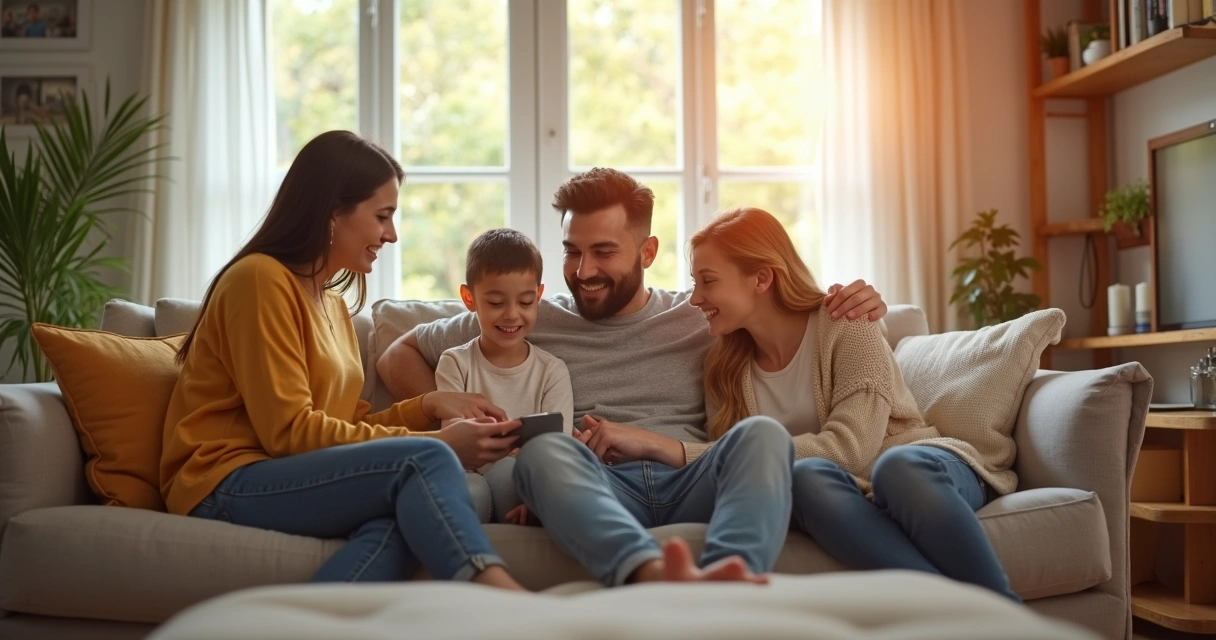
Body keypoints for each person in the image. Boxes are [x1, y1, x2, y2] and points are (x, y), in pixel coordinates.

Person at [377, 168, 889, 585]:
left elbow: (778, 304)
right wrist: (450, 408)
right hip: (597, 482)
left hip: (691, 476)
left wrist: (853, 303)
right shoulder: (530, 312)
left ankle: (733, 583)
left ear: (647, 253)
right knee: (544, 451)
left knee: (760, 436)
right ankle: (645, 573)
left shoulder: (701, 312)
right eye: (572, 251)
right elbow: (397, 350)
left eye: (603, 252)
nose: (582, 270)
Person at [161, 130, 526, 589]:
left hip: (284, 472)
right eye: (382, 216)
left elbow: (350, 422)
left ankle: (312, 624)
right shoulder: (258, 280)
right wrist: (443, 443)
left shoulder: (332, 303)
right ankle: (502, 595)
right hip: (222, 479)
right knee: (428, 460)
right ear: (334, 211)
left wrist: (429, 407)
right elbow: (289, 432)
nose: (391, 235)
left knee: (409, 515)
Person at [687, 207, 1019, 601]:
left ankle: (1003, 613)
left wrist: (680, 454)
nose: (694, 298)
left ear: (762, 278)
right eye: (694, 283)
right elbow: (737, 472)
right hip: (842, 490)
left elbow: (852, 450)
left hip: (920, 467)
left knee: (896, 469)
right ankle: (952, 610)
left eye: (707, 281)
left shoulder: (845, 321)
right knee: (806, 478)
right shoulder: (722, 367)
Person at [435, 228, 574, 524]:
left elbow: (557, 449)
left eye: (525, 302)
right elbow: (457, 444)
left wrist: (539, 492)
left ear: (538, 296)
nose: (511, 315)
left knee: (514, 477)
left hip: (525, 476)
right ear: (469, 298)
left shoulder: (552, 371)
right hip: (468, 474)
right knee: (469, 490)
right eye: (496, 303)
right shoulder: (454, 363)